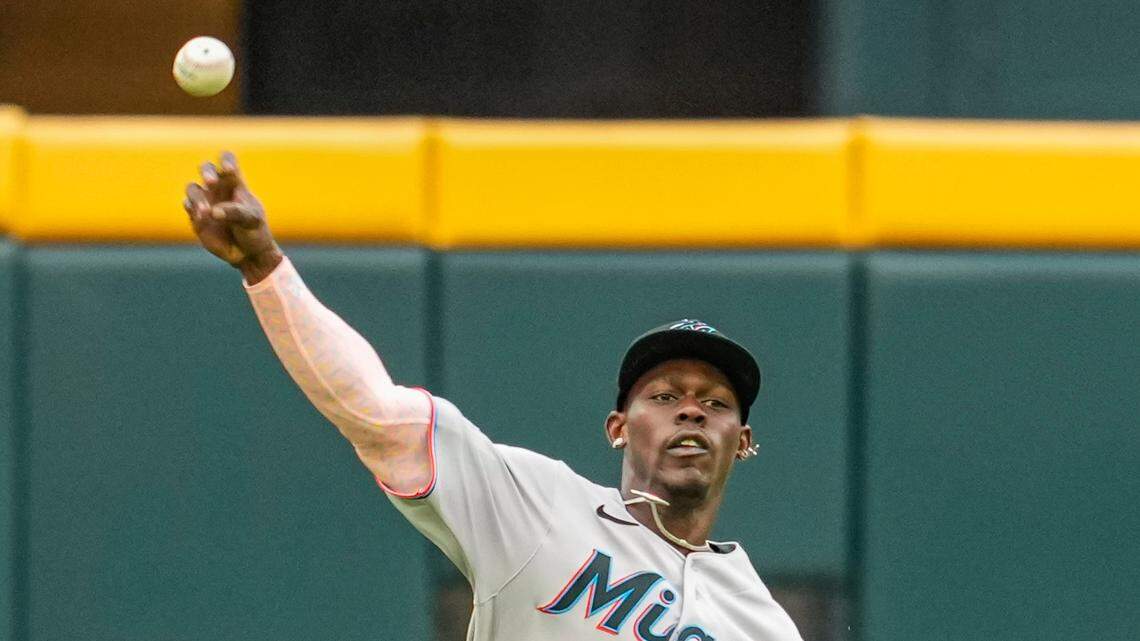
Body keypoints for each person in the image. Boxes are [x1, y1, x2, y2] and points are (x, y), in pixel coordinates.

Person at [183, 152, 803, 641]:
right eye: (665, 396)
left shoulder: (763, 625)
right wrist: (265, 269)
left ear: (743, 443)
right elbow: (378, 414)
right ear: (618, 427)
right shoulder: (536, 506)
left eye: (716, 403)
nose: (692, 408)